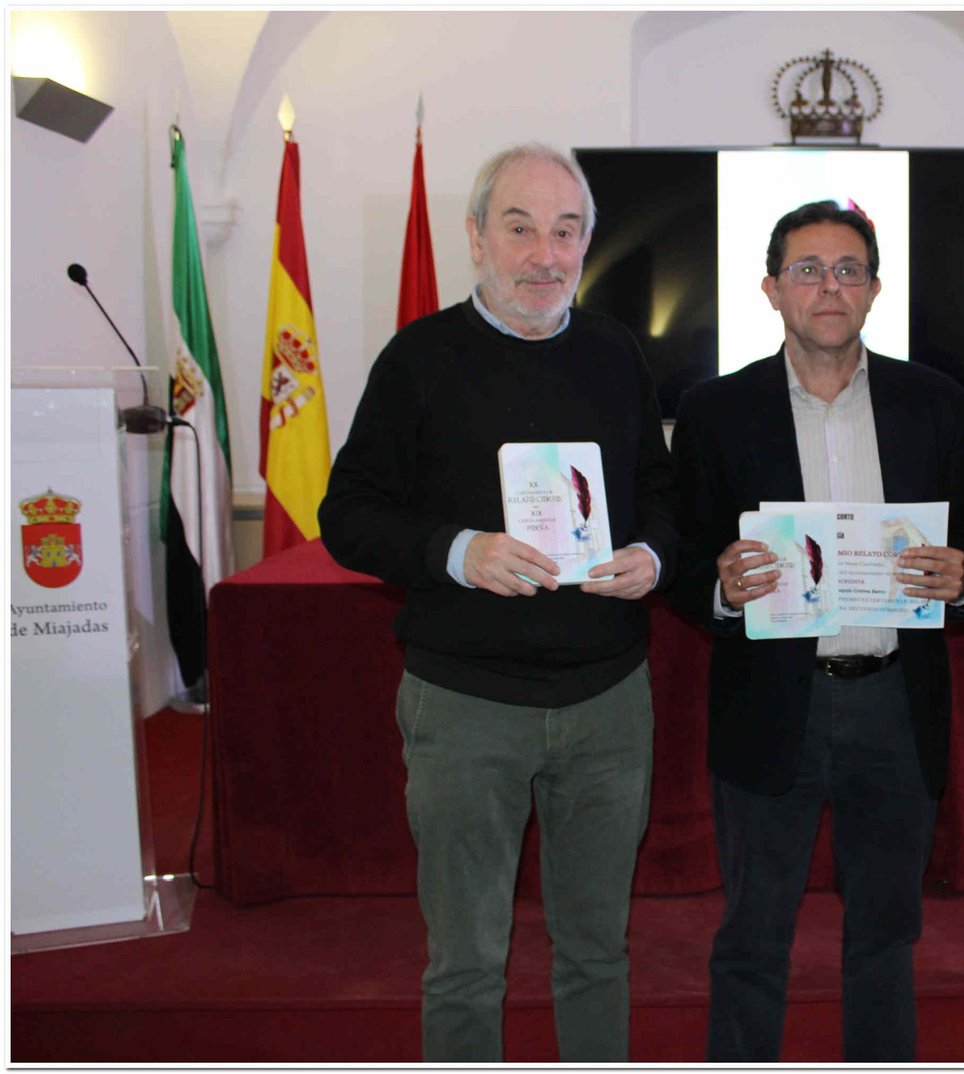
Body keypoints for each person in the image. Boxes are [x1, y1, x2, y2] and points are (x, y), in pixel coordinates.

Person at [318, 142, 676, 1063]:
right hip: (465, 705)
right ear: (477, 236)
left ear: (587, 245)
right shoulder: (419, 359)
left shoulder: (615, 354)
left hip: (607, 706)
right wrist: (456, 550)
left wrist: (653, 552)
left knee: (597, 951)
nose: (544, 255)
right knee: (468, 961)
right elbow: (347, 515)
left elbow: (660, 491)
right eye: (520, 228)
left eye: (566, 232)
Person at [670, 200, 964, 1062]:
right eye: (807, 269)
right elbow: (679, 557)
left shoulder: (936, 404)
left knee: (886, 936)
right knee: (752, 938)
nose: (828, 286)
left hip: (894, 704)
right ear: (772, 288)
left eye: (848, 269)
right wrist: (720, 585)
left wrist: (963, 578)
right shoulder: (713, 411)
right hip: (770, 706)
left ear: (875, 289)